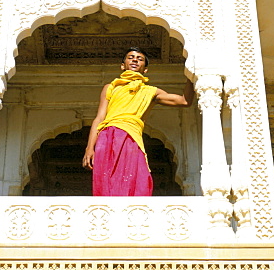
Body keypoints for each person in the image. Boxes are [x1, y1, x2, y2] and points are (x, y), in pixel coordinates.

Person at [82, 47, 194, 196]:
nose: (135, 60)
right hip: (108, 136)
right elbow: (99, 118)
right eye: (131, 57)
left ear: (145, 69)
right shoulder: (111, 87)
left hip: (131, 137)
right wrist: (90, 148)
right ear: (123, 65)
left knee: (135, 176)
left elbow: (185, 101)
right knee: (106, 177)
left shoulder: (151, 91)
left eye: (140, 59)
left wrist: (192, 75)